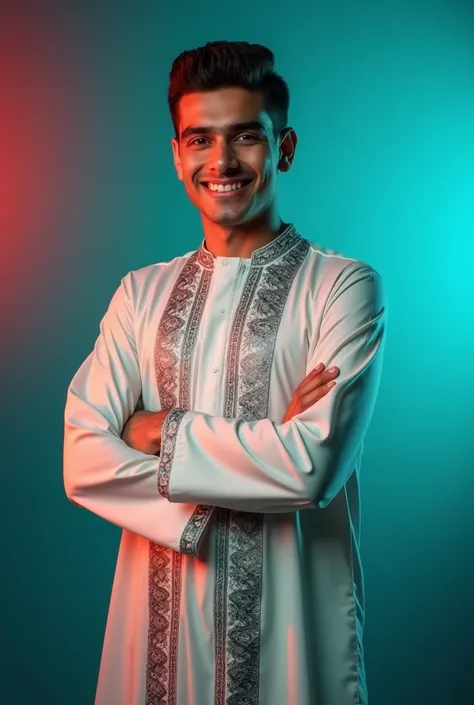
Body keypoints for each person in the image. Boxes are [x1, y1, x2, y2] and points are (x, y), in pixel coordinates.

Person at [63, 40, 387, 705]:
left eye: (246, 137)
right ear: (176, 156)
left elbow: (312, 467)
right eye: (200, 140)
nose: (222, 162)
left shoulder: (342, 287)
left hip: (293, 637)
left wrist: (161, 430)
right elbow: (81, 458)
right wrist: (270, 437)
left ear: (285, 147)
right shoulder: (139, 294)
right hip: (151, 637)